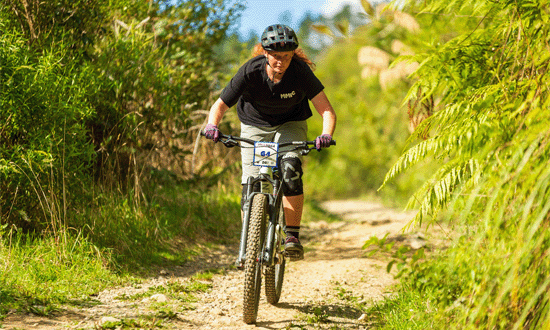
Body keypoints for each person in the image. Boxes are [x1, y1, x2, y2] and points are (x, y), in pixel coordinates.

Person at [203, 24, 336, 261]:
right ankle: (250, 244)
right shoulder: (250, 72)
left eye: (286, 56)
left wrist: (325, 134)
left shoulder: (300, 72)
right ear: (265, 52)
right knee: (252, 183)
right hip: (255, 126)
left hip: (290, 124)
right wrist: (212, 126)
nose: (280, 62)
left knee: (290, 169)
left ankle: (292, 237)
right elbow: (220, 105)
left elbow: (326, 110)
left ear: (292, 54)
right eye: (275, 56)